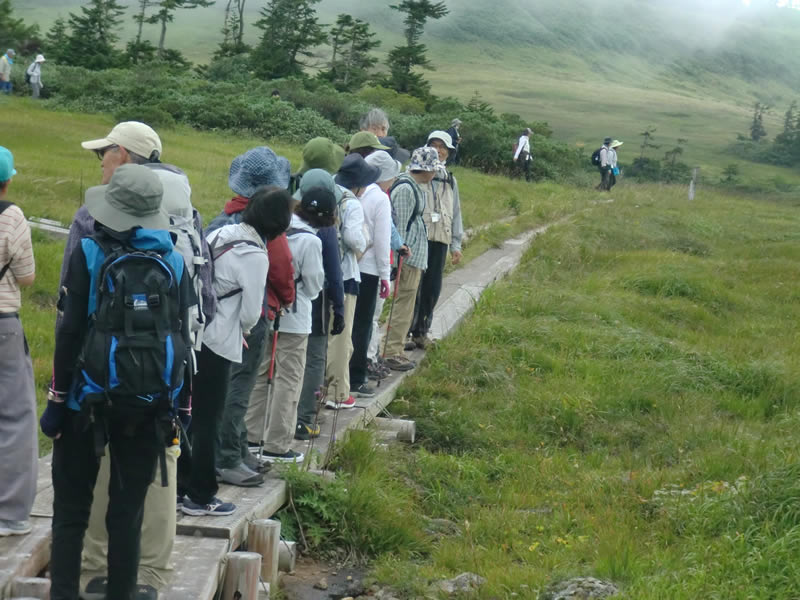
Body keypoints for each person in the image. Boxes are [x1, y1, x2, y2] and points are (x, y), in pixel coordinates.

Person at [69, 121, 212, 594]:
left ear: (125, 157)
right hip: (169, 368)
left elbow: (73, 308)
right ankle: (151, 573)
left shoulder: (94, 219)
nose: (101, 164)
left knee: (101, 464)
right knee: (158, 468)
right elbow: (202, 298)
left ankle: (94, 568)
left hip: (101, 371)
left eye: (104, 154)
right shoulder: (186, 211)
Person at [41, 164, 194, 600]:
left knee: (71, 514)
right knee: (126, 517)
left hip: (84, 402)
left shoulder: (88, 253)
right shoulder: (176, 260)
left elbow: (68, 333)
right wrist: (178, 410)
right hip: (149, 406)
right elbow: (181, 340)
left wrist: (57, 401)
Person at [179, 187, 292, 512]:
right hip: (220, 341)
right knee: (209, 418)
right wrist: (241, 332)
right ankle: (200, 495)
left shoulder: (224, 233)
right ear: (279, 224)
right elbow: (250, 313)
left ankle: (180, 486)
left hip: (194, 333)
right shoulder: (257, 255)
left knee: (188, 414)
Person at [207, 146, 296, 485]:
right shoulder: (265, 227)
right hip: (248, 323)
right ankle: (229, 456)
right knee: (239, 390)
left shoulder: (222, 219)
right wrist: (285, 299)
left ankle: (239, 449)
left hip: (213, 322)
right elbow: (282, 272)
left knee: (228, 389)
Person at [251, 185, 331, 462]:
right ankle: (277, 443)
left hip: (269, 311)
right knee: (289, 378)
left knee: (262, 373)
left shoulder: (278, 230)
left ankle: (251, 435)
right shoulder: (312, 241)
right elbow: (313, 284)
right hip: (296, 318)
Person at [0, 146, 37, 539]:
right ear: (7, 181)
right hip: (2, 324)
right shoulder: (11, 217)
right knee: (14, 417)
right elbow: (26, 276)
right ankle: (9, 515)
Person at [294, 171, 345, 441]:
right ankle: (304, 418)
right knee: (314, 360)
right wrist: (339, 308)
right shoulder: (323, 229)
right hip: (314, 303)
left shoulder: (287, 220)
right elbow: (334, 273)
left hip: (281, 304)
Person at [334, 154, 387, 398]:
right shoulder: (358, 201)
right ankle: (353, 380)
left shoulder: (331, 192)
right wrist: (385, 273)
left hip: (331, 271)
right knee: (358, 327)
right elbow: (374, 240)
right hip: (359, 271)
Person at [383, 147, 439, 371]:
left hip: (414, 257)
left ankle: (394, 348)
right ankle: (390, 351)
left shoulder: (413, 186)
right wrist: (398, 260)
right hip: (408, 258)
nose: (434, 174)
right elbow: (399, 227)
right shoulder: (406, 189)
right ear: (424, 169)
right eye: (433, 170)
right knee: (402, 304)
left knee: (406, 305)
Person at [409, 131, 464, 350]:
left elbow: (456, 212)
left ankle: (421, 332)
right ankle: (404, 331)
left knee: (432, 287)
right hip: (418, 238)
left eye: (443, 147)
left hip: (441, 237)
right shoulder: (416, 173)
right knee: (412, 285)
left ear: (449, 153)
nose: (439, 150)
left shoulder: (450, 180)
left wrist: (456, 244)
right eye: (434, 145)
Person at [323, 152, 368, 410]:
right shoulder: (351, 202)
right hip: (345, 275)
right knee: (341, 336)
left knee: (324, 333)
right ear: (358, 183)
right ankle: (338, 392)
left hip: (321, 274)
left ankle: (320, 388)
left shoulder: (325, 189)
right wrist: (365, 241)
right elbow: (352, 237)